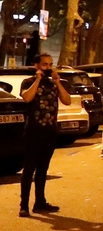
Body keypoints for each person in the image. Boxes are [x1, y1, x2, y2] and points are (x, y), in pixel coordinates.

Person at [18, 53, 71, 217]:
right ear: (37, 66)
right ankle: (24, 205)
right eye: (44, 65)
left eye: (50, 64)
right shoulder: (28, 82)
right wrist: (38, 80)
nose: (48, 67)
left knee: (43, 169)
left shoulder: (55, 83)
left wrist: (57, 82)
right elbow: (27, 98)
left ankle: (40, 201)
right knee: (29, 169)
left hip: (50, 132)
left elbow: (67, 100)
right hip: (33, 132)